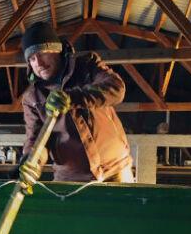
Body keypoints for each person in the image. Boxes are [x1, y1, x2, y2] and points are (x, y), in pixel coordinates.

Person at [18, 22, 134, 191]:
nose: (39, 63)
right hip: (70, 180)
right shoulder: (32, 98)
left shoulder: (86, 65)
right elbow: (36, 139)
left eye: (42, 54)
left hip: (116, 171)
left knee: (125, 217)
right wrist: (32, 161)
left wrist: (73, 98)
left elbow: (116, 88)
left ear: (56, 49)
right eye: (32, 59)